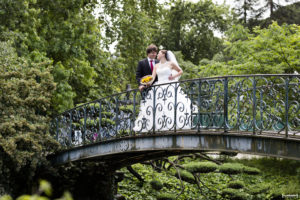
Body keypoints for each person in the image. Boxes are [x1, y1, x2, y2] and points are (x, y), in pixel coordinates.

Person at [133, 50, 197, 132]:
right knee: (158, 106)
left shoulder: (170, 64)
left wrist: (173, 77)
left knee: (171, 105)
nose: (157, 54)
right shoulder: (156, 66)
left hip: (169, 87)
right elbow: (152, 78)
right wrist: (145, 84)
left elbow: (180, 71)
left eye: (159, 53)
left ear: (163, 54)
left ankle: (175, 124)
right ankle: (159, 126)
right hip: (159, 87)